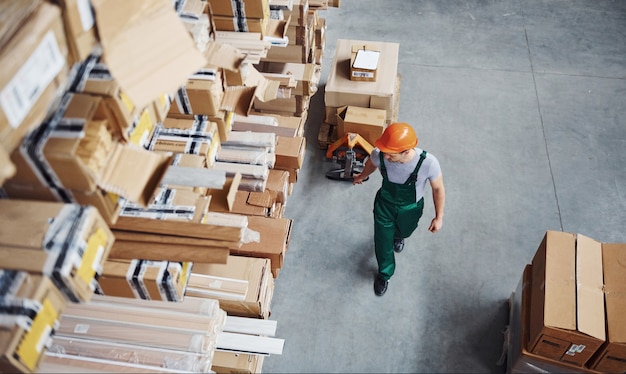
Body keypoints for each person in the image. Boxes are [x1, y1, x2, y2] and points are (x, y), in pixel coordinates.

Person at [353, 122, 445, 296]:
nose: (385, 157)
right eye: (384, 152)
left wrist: (439, 217)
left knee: (405, 231)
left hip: (410, 208)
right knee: (382, 241)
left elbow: (438, 188)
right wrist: (362, 176)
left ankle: (399, 236)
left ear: (407, 151)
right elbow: (372, 164)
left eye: (391, 154)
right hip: (384, 205)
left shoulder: (428, 163)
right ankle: (384, 273)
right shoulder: (379, 155)